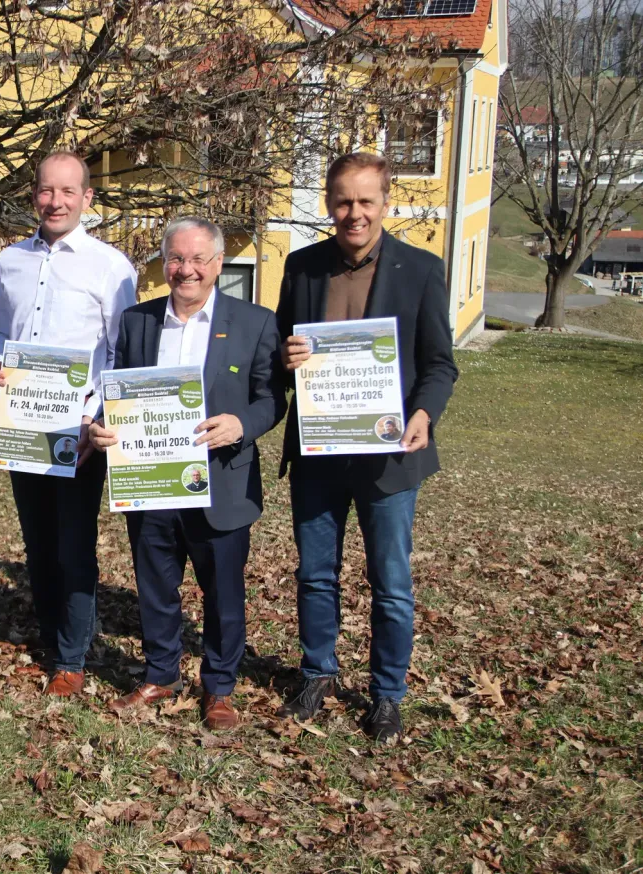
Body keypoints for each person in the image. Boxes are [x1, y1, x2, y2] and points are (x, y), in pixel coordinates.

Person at [275, 153, 459, 742]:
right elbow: (280, 351)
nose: (354, 213)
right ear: (329, 204)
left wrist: (425, 414)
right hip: (319, 451)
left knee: (391, 583)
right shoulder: (302, 267)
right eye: (343, 202)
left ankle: (386, 694)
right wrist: (286, 357)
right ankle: (317, 672)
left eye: (365, 201)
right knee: (315, 574)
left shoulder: (421, 269)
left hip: (388, 453)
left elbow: (438, 364)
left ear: (386, 202)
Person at [89, 218, 285, 728]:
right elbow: (120, 394)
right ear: (164, 263)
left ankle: (219, 688)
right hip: (152, 479)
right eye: (177, 259)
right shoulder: (137, 322)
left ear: (219, 263)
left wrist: (242, 423)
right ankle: (160, 674)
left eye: (199, 259)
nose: (187, 270)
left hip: (222, 480)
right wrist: (102, 427)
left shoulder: (256, 322)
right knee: (155, 586)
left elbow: (272, 399)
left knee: (223, 591)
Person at [0, 152, 138, 695]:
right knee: (38, 542)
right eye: (47, 191)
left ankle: (73, 657)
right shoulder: (8, 260)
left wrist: (99, 418)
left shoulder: (111, 266)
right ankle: (53, 639)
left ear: (87, 198)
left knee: (74, 545)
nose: (56, 201)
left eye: (68, 192)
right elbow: (5, 333)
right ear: (34, 196)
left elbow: (121, 350)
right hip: (24, 423)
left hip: (79, 428)